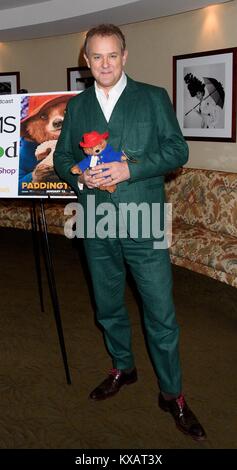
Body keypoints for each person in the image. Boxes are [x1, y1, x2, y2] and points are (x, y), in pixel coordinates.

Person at [54, 24, 206, 441]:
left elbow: (177, 149)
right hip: (94, 221)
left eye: (112, 55)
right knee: (107, 306)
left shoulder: (153, 97)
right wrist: (77, 173)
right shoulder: (78, 105)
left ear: (125, 56)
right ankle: (123, 366)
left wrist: (129, 169)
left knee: (160, 312)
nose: (105, 64)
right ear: (86, 61)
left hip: (145, 218)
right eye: (96, 57)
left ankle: (172, 394)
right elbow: (65, 155)